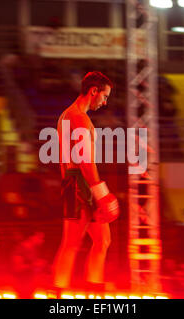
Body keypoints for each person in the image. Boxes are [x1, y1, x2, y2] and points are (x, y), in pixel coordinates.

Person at [52, 71, 120, 291]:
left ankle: (83, 291)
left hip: (71, 181)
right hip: (81, 183)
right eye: (104, 96)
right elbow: (85, 160)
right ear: (93, 91)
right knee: (76, 244)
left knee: (99, 241)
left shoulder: (66, 115)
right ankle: (66, 293)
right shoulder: (79, 118)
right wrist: (101, 193)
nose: (105, 101)